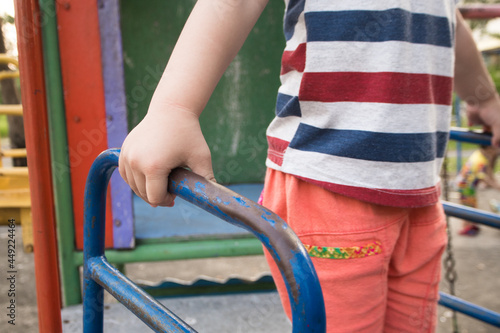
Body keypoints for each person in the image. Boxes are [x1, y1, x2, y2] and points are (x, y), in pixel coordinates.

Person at [118, 1, 500, 332]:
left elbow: (450, 23)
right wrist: (174, 107)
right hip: (331, 185)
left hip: (421, 195)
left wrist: (484, 98)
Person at [456, 145, 500, 235]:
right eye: (496, 149)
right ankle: (465, 228)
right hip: (465, 186)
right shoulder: (481, 160)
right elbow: (484, 178)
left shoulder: (479, 154)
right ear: (489, 149)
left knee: (471, 204)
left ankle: (471, 225)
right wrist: (497, 186)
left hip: (465, 184)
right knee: (468, 206)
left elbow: (487, 174)